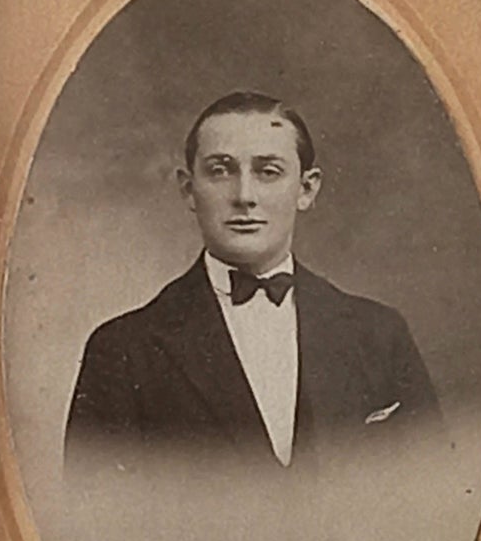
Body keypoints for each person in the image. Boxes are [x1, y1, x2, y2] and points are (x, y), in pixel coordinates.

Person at [63, 91, 441, 471]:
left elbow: (431, 494)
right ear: (188, 189)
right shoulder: (123, 350)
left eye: (268, 172)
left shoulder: (380, 335)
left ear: (306, 189)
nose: (244, 196)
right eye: (220, 170)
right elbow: (94, 518)